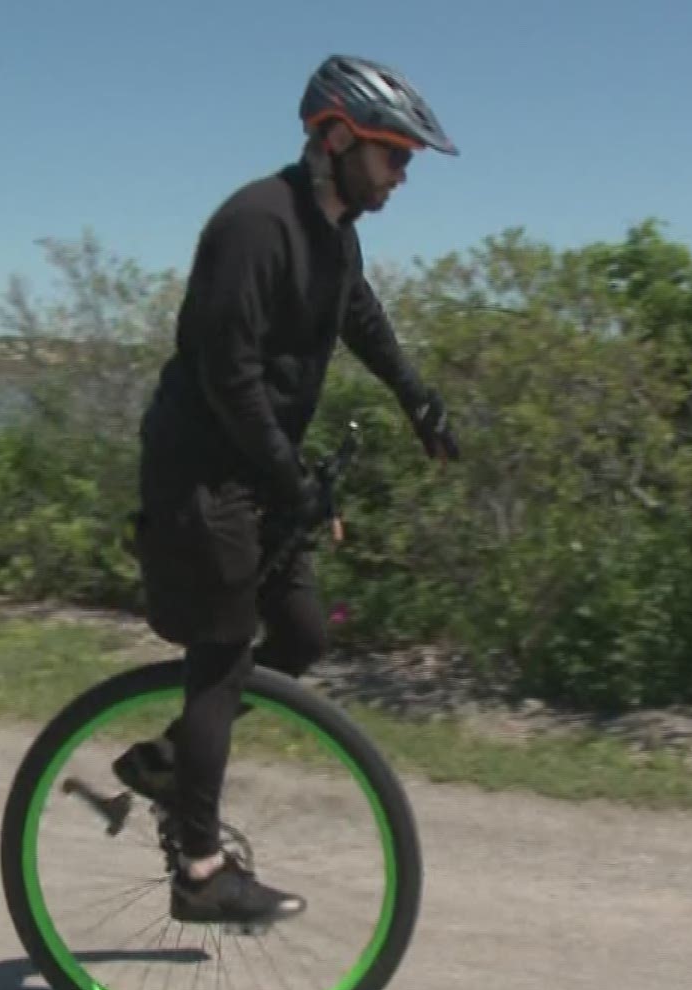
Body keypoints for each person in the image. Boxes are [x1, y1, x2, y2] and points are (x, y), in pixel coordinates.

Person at [116, 54, 463, 926]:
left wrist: (417, 397)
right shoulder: (255, 224)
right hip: (202, 474)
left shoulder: (333, 232)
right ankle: (198, 873)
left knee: (301, 638)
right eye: (395, 155)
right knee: (225, 652)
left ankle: (168, 762)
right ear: (339, 138)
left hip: (255, 474)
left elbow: (360, 315)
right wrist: (289, 477)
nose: (403, 173)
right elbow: (226, 375)